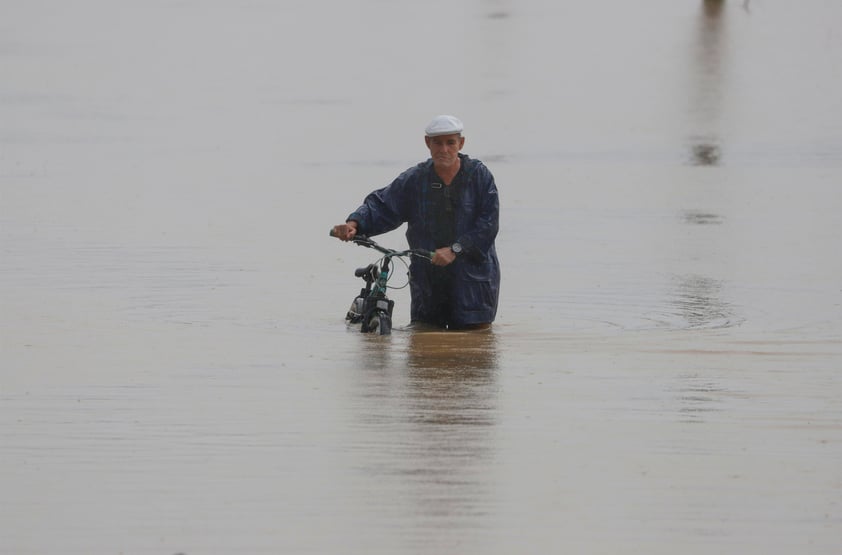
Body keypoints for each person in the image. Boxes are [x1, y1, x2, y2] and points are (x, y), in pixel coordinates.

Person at [332, 115, 500, 330]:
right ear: (427, 143)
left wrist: (455, 249)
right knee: (423, 341)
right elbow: (383, 205)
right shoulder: (415, 179)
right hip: (427, 279)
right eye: (437, 143)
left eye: (450, 142)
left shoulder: (479, 177)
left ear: (461, 143)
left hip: (473, 281)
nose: (444, 149)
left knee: (474, 346)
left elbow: (488, 224)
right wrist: (354, 223)